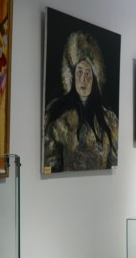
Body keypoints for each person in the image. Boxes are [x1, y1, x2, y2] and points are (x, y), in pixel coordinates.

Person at [43, 31, 118, 172]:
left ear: (95, 78)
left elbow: (113, 163)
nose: (83, 79)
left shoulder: (108, 119)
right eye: (79, 72)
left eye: (88, 73)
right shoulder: (58, 115)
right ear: (72, 75)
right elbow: (49, 164)